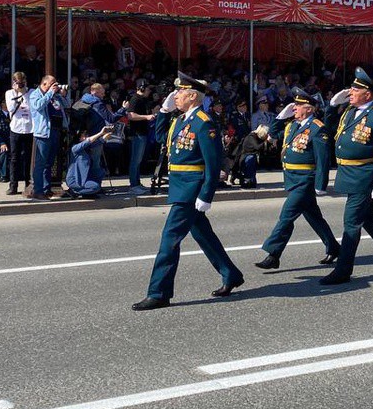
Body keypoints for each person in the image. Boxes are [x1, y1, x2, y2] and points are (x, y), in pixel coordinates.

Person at [132, 72, 245, 310]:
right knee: (203, 235)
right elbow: (161, 137)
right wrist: (163, 112)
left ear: (193, 96)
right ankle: (230, 273)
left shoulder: (204, 122)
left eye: (180, 92)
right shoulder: (181, 119)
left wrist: (206, 195)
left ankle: (159, 292)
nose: (176, 96)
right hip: (180, 186)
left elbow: (213, 163)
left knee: (169, 240)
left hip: (191, 190)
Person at [320, 68, 373, 284]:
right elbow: (327, 130)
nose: (351, 92)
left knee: (351, 222)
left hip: (364, 177)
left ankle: (343, 270)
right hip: (348, 173)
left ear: (367, 94)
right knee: (368, 219)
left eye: (356, 89)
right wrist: (331, 106)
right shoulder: (348, 111)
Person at [254, 88, 341, 270]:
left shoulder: (317, 128)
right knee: (313, 217)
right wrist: (279, 118)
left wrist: (320, 184)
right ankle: (333, 247)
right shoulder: (293, 125)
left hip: (305, 179)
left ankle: (273, 254)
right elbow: (273, 135)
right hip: (291, 178)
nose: (294, 108)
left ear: (309, 108)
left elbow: (323, 159)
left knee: (287, 215)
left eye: (298, 105)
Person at [28, 75, 63, 199]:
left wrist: (61, 94)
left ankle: (46, 188)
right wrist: (50, 94)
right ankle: (38, 190)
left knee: (49, 163)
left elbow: (64, 106)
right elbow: (38, 106)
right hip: (43, 133)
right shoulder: (34, 94)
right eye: (52, 83)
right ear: (44, 84)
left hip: (55, 131)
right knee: (40, 163)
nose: (55, 85)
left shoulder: (54, 95)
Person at [63, 123, 115, 198]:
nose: (86, 137)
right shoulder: (75, 148)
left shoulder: (87, 148)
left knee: (100, 173)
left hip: (85, 178)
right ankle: (73, 191)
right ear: (78, 138)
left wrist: (107, 134)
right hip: (75, 180)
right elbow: (88, 141)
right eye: (83, 136)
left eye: (86, 135)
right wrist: (100, 133)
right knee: (95, 187)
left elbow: (99, 141)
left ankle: (87, 193)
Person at [4, 72, 33, 195]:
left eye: (22, 83)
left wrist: (24, 92)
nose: (20, 85)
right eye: (18, 83)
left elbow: (32, 107)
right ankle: (13, 185)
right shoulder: (9, 93)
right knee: (14, 158)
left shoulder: (31, 93)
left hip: (29, 128)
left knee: (28, 158)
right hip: (16, 128)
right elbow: (10, 108)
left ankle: (28, 184)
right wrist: (17, 93)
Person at [125, 81, 155, 194]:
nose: (149, 91)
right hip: (137, 133)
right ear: (141, 88)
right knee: (135, 160)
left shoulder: (142, 100)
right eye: (147, 89)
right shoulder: (135, 99)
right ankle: (133, 185)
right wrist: (146, 117)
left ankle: (136, 183)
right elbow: (130, 115)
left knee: (138, 160)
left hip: (142, 132)